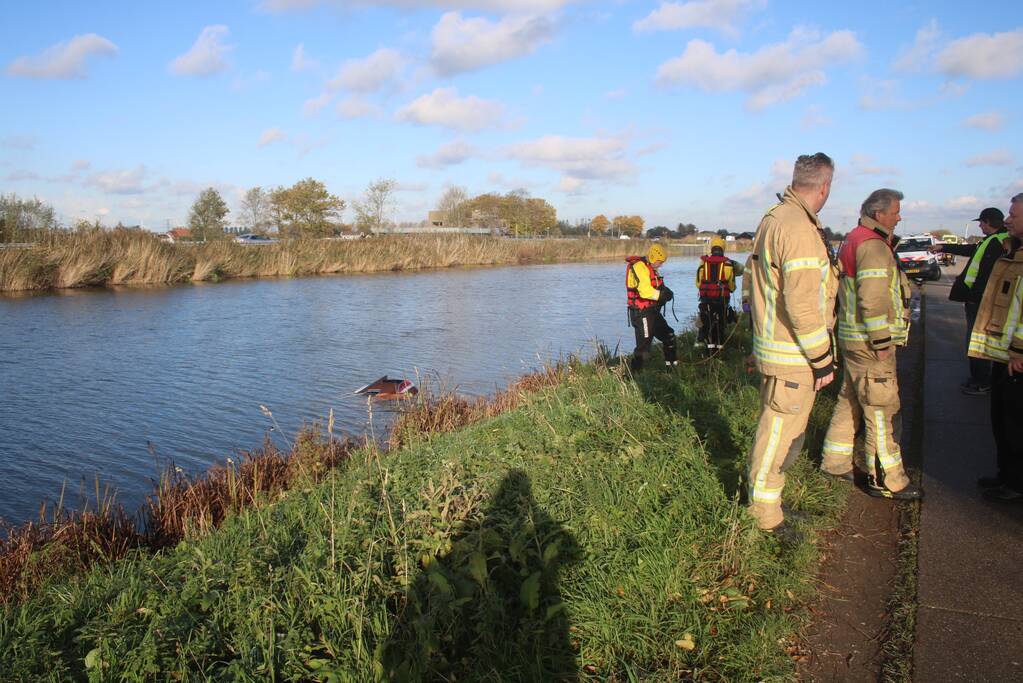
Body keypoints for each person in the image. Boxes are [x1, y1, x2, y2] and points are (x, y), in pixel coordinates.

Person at [746, 153, 840, 537]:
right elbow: (802, 305)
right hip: (794, 354)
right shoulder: (798, 228)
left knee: (780, 432)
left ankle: (769, 506)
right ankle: (763, 516)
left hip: (778, 348)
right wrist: (823, 359)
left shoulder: (776, 217)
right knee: (779, 436)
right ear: (824, 187)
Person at [821, 189, 923, 500]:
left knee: (850, 399)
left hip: (853, 339)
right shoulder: (873, 245)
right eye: (895, 211)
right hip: (870, 343)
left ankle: (834, 462)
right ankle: (886, 479)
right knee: (881, 408)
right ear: (879, 214)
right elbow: (873, 297)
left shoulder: (854, 237)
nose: (899, 217)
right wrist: (881, 341)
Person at [967, 193, 1023, 502]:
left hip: (1017, 358)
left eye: (1013, 214)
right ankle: (1005, 475)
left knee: (1015, 424)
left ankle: (1016, 483)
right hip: (1005, 355)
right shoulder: (1013, 249)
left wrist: (1020, 351)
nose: (1008, 219)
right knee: (1001, 420)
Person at [930, 208, 1008, 395]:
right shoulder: (993, 240)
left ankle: (982, 382)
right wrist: (943, 247)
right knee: (977, 341)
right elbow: (971, 250)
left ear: (988, 222)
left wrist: (974, 297)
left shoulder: (998, 242)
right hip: (979, 300)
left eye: (981, 222)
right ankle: (981, 379)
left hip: (979, 301)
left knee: (976, 342)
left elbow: (986, 275)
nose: (980, 226)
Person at [626, 243, 677, 371]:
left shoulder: (651, 268)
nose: (661, 265)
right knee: (644, 348)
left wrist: (666, 291)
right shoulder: (639, 267)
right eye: (660, 262)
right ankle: (633, 376)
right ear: (654, 258)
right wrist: (661, 295)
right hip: (641, 312)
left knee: (669, 335)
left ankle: (672, 369)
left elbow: (657, 286)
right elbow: (645, 291)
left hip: (652, 311)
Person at [695, 236, 737, 351]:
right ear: (723, 249)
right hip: (722, 298)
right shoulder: (728, 263)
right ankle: (719, 348)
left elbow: (698, 283)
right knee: (721, 323)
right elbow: (731, 284)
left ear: (712, 248)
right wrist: (732, 289)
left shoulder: (703, 263)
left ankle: (708, 347)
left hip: (706, 298)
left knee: (707, 322)